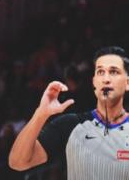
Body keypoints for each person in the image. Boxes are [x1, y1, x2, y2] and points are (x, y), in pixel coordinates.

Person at [8, 46, 129, 179]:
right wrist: (40, 114)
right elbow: (18, 162)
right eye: (101, 72)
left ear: (127, 83)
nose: (106, 79)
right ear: (94, 82)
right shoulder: (70, 125)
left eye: (114, 72)